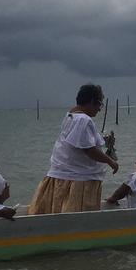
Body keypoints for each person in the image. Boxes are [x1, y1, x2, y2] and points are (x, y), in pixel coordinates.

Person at [29, 84, 119, 214]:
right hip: (77, 181)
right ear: (92, 101)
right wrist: (111, 162)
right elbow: (90, 150)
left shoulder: (70, 116)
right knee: (78, 218)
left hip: (61, 176)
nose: (99, 110)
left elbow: (78, 142)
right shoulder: (84, 120)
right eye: (100, 105)